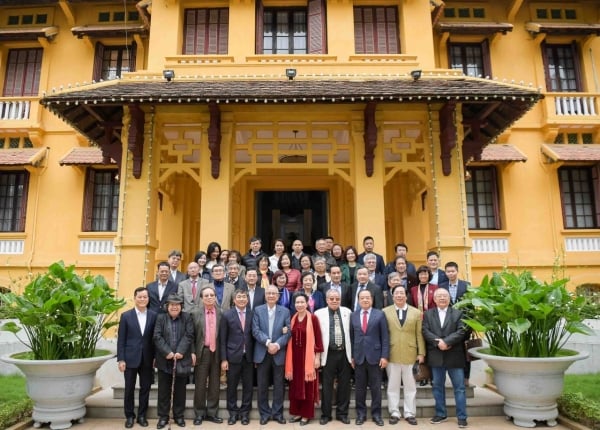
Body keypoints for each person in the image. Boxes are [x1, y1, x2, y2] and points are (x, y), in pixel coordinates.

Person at [422, 288, 468, 428]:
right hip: (436, 355)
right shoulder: (428, 314)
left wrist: (447, 342)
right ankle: (441, 413)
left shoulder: (458, 313)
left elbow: (462, 331)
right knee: (437, 387)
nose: (442, 298)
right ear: (434, 299)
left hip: (454, 355)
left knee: (459, 388)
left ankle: (462, 417)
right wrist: (438, 343)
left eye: (445, 296)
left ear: (449, 298)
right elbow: (425, 331)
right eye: (439, 296)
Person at [383, 278, 425, 426]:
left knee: (410, 386)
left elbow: (419, 333)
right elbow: (384, 334)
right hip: (392, 353)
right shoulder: (385, 312)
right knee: (392, 385)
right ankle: (394, 412)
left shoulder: (416, 312)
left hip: (410, 353)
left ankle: (409, 413)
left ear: (406, 296)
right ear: (392, 296)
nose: (399, 296)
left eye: (402, 293)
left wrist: (421, 353)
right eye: (397, 293)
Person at [117, 287, 157, 428]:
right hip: (129, 358)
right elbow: (121, 339)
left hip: (147, 358)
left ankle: (142, 416)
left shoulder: (153, 315)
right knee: (129, 389)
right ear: (135, 298)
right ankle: (129, 416)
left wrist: (155, 357)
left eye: (145, 297)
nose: (142, 299)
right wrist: (121, 359)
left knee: (145, 388)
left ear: (148, 299)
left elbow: (154, 339)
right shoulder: (126, 316)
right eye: (140, 297)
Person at [153, 294, 194, 429]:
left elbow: (189, 335)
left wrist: (180, 352)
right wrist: (168, 352)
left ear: (181, 307)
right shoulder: (161, 318)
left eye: (177, 305)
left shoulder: (187, 317)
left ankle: (179, 416)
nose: (174, 307)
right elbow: (157, 336)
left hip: (181, 359)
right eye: (172, 305)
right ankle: (163, 416)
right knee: (163, 390)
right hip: (165, 359)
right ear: (167, 306)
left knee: (180, 390)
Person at [252, 285, 291, 425]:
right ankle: (264, 413)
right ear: (265, 295)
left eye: (274, 294)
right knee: (262, 385)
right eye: (268, 293)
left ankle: (277, 413)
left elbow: (288, 332)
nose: (271, 296)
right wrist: (269, 343)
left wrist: (277, 345)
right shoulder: (257, 310)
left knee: (279, 385)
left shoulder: (285, 311)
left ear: (278, 296)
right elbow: (255, 330)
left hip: (279, 352)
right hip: (262, 351)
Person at [350, 289, 389, 426]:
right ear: (358, 300)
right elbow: (352, 337)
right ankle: (361, 414)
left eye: (368, 298)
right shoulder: (353, 316)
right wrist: (353, 356)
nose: (365, 300)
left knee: (376, 388)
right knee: (359, 388)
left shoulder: (380, 315)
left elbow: (385, 337)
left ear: (372, 299)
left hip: (376, 357)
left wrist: (384, 356)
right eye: (362, 298)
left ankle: (376, 415)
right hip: (359, 357)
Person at [314, 289, 352, 425]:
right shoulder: (318, 314)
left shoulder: (348, 312)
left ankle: (342, 413)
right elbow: (316, 337)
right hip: (328, 354)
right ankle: (326, 414)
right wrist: (317, 356)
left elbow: (352, 335)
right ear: (326, 299)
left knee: (344, 385)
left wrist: (352, 356)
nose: (334, 301)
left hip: (344, 353)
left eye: (337, 298)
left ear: (340, 299)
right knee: (327, 385)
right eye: (332, 299)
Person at [285, 292, 324, 425]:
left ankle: (306, 415)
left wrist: (317, 357)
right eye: (297, 302)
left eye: (302, 302)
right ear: (294, 304)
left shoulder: (313, 318)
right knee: (295, 386)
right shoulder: (292, 318)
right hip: (294, 358)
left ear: (307, 303)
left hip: (308, 358)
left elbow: (318, 339)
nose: (300, 304)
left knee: (308, 387)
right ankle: (297, 413)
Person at [219, 289, 254, 425]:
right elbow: (223, 338)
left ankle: (245, 413)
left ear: (247, 299)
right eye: (239, 297)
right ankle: (233, 413)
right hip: (232, 356)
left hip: (249, 357)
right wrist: (224, 359)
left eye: (244, 297)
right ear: (234, 300)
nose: (241, 299)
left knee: (248, 386)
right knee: (232, 386)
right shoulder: (227, 315)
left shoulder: (252, 314)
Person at [190, 286, 223, 425]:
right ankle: (199, 413)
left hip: (217, 353)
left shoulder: (222, 313)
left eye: (211, 295)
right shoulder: (195, 313)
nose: (209, 297)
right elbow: (190, 335)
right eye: (206, 295)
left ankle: (212, 413)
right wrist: (192, 351)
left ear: (215, 297)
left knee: (215, 384)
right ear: (202, 298)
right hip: (201, 351)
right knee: (200, 384)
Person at [438, 261, 471, 384]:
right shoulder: (442, 286)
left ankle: (466, 377)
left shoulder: (466, 285)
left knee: (464, 351)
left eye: (453, 271)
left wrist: (469, 325)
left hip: (462, 324)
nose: (450, 273)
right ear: (445, 273)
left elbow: (471, 306)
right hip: (446, 325)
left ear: (457, 271)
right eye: (448, 271)